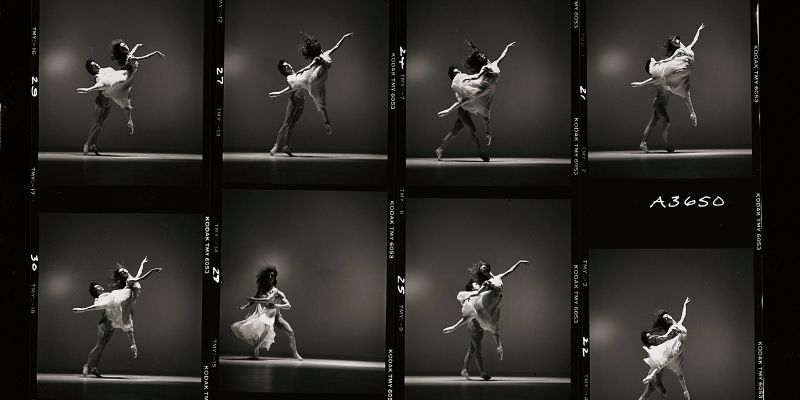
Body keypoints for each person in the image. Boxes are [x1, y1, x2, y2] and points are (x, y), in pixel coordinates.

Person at [443, 258, 529, 380]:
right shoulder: (477, 290)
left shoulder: (490, 281)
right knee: (477, 347)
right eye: (483, 269)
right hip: (474, 319)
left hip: (482, 319)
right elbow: (469, 310)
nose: (486, 270)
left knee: (473, 348)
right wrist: (454, 326)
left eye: (486, 268)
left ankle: (464, 369)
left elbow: (508, 272)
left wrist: (519, 262)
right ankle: (482, 372)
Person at [77, 40, 165, 154]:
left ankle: (94, 144)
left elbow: (130, 55)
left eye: (95, 63)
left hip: (110, 99)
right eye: (93, 66)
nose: (96, 65)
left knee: (101, 124)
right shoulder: (97, 76)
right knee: (97, 123)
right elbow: (105, 84)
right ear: (91, 70)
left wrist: (137, 46)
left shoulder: (108, 69)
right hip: (102, 100)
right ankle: (87, 143)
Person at [435, 41, 515, 161]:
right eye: (457, 71)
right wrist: (449, 110)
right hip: (464, 108)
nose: (459, 72)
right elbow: (467, 98)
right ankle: (481, 154)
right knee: (472, 129)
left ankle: (440, 149)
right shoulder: (463, 79)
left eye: (459, 71)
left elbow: (502, 56)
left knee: (455, 131)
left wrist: (507, 47)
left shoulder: (492, 65)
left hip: (469, 107)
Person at [269, 32, 354, 144]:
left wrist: (344, 37)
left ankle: (327, 123)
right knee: (316, 100)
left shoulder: (326, 53)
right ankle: (279, 145)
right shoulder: (317, 59)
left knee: (322, 104)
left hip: (320, 81)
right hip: (315, 79)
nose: (321, 49)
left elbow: (337, 46)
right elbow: (308, 67)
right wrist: (298, 73)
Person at [631, 23, 705, 152]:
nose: (655, 61)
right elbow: (656, 78)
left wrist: (698, 30)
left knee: (652, 123)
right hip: (659, 103)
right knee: (667, 122)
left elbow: (694, 40)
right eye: (653, 62)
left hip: (663, 103)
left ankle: (643, 142)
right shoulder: (658, 76)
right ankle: (667, 146)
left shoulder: (676, 57)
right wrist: (642, 83)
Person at [73, 257, 163, 359]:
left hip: (127, 301)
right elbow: (142, 278)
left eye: (123, 270)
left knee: (127, 323)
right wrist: (152, 271)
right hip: (124, 297)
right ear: (123, 275)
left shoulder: (131, 278)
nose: (124, 271)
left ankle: (133, 346)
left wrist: (142, 263)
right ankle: (83, 309)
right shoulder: (130, 280)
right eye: (122, 272)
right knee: (106, 305)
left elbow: (139, 273)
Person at [231, 265, 302, 360]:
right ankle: (255, 354)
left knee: (290, 332)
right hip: (265, 315)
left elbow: (287, 305)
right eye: (268, 276)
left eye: (272, 276)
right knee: (259, 330)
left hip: (276, 317)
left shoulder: (277, 291)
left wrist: (276, 305)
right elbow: (253, 301)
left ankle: (295, 353)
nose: (270, 278)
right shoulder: (261, 289)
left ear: (274, 278)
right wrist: (245, 306)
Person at [638, 297, 691, 400]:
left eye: (667, 316)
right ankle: (651, 375)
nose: (667, 318)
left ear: (670, 316)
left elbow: (683, 314)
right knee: (665, 359)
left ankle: (686, 392)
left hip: (680, 347)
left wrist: (685, 304)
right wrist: (657, 337)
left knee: (680, 375)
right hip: (676, 344)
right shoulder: (673, 328)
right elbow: (665, 337)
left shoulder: (678, 323)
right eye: (666, 319)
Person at [81, 282, 122, 377]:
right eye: (97, 287)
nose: (100, 287)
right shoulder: (98, 299)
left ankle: (94, 368)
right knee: (99, 346)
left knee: (102, 348)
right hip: (104, 323)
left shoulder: (109, 294)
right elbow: (97, 306)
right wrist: (83, 310)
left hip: (113, 324)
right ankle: (87, 365)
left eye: (99, 286)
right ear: (96, 291)